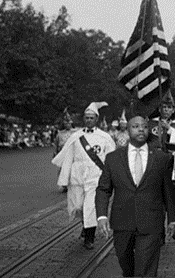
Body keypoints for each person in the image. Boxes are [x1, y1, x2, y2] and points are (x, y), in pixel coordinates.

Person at [96, 116, 175, 277]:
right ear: (128, 130)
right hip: (122, 221)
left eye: (144, 127)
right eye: (135, 126)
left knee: (145, 269)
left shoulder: (162, 158)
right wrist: (101, 216)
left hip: (151, 221)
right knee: (127, 266)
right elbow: (103, 189)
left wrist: (173, 218)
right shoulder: (113, 158)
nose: (141, 129)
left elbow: (168, 190)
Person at [52, 102, 116, 250]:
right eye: (86, 118)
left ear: (97, 119)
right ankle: (85, 226)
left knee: (91, 207)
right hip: (77, 178)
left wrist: (112, 178)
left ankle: (89, 237)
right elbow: (68, 158)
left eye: (91, 118)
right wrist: (63, 179)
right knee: (79, 207)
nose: (88, 120)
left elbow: (111, 159)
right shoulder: (76, 137)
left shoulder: (105, 137)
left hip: (96, 177)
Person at [148, 89, 175, 216]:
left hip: (174, 166)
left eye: (169, 107)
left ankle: (173, 224)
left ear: (173, 110)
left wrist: (169, 130)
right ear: (159, 109)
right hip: (155, 164)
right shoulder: (151, 123)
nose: (166, 110)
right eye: (164, 107)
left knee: (173, 194)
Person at [53, 108, 78, 193]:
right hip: (63, 153)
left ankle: (72, 184)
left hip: (73, 153)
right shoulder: (60, 133)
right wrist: (55, 152)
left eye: (69, 123)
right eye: (66, 123)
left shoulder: (76, 132)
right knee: (63, 169)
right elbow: (56, 144)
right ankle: (64, 185)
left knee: (72, 169)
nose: (68, 125)